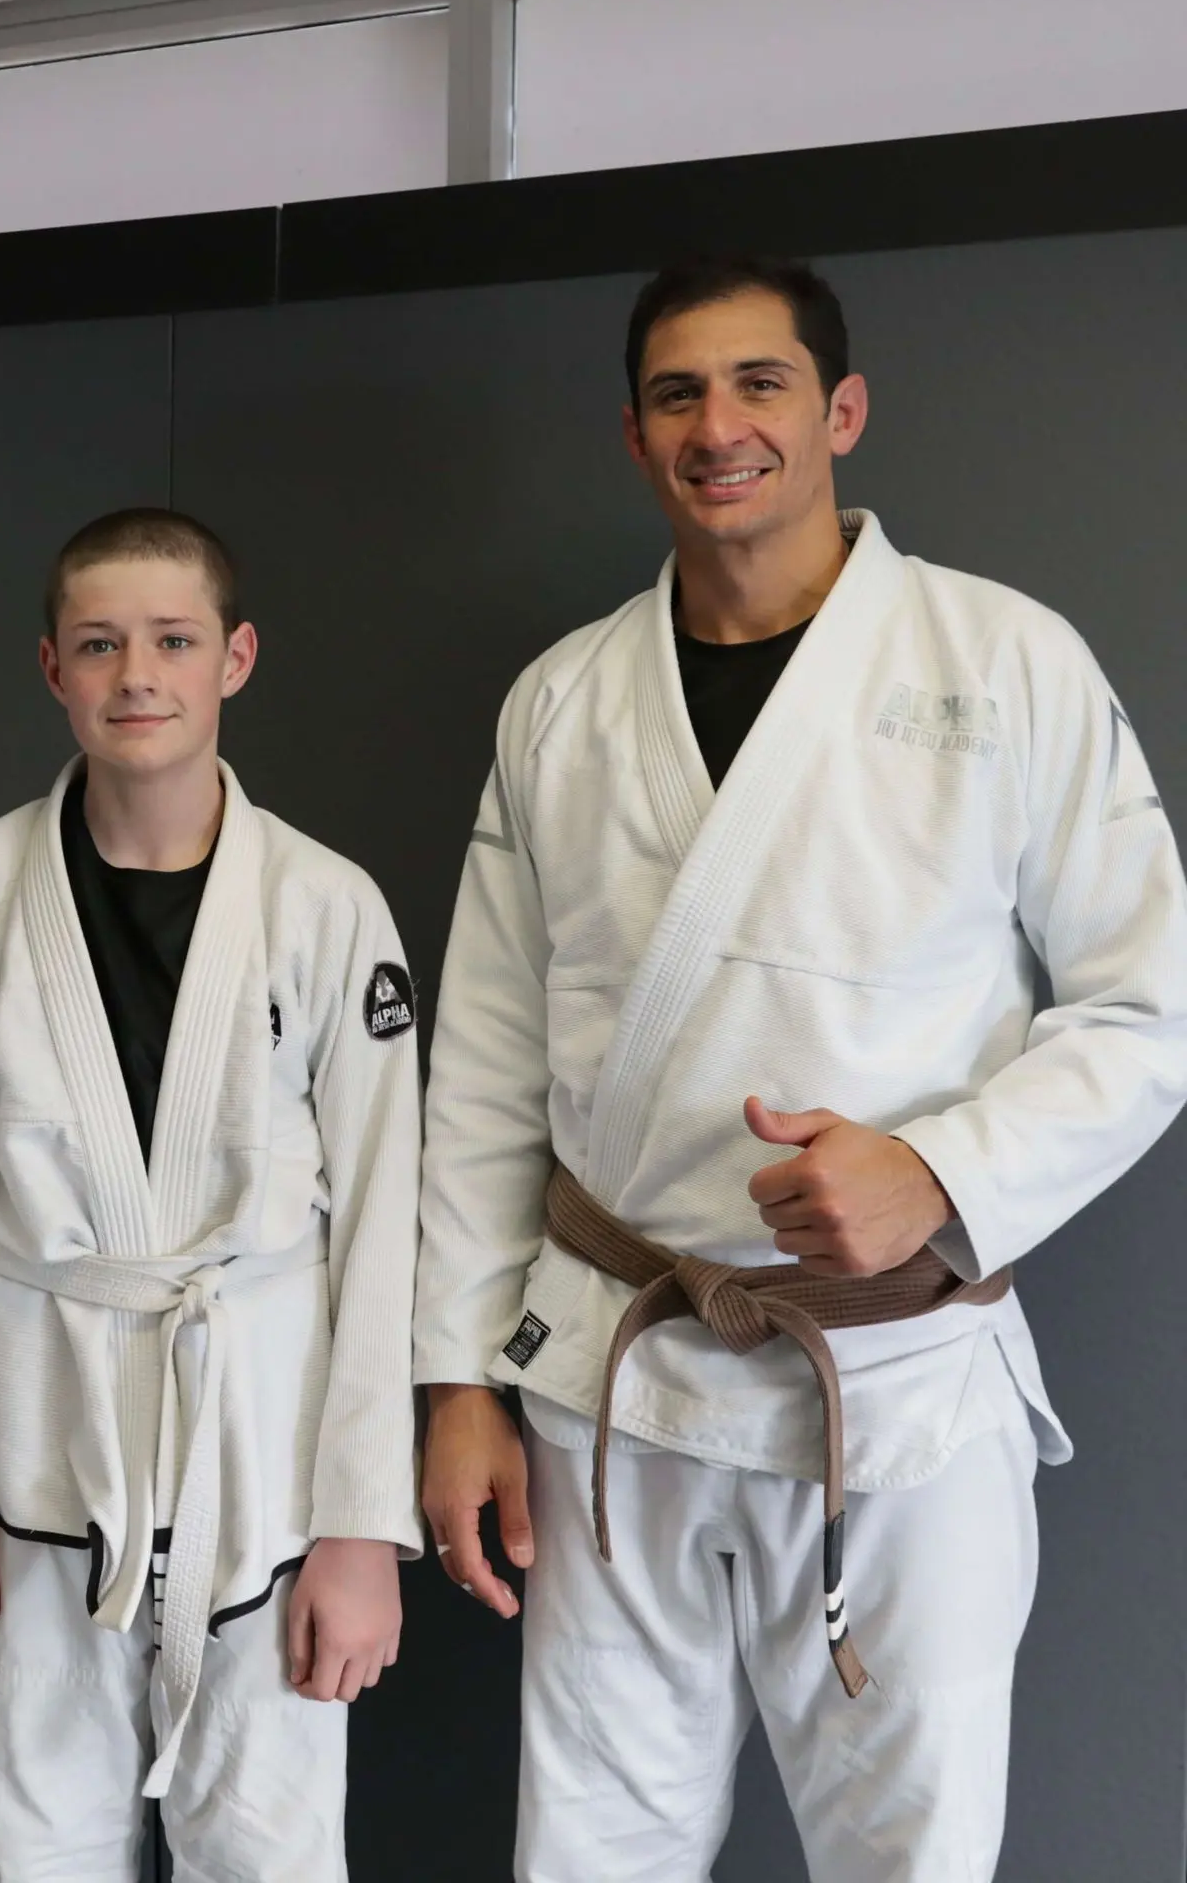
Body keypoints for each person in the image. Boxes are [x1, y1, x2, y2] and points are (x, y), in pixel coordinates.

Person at [414, 256, 1187, 1881]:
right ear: (635, 439)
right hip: (615, 1374)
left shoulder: (1007, 661)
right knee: (590, 1852)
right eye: (681, 394)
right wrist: (457, 1383)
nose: (721, 427)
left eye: (760, 384)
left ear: (840, 410)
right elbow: (484, 1068)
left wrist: (942, 1177)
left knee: (910, 1854)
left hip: (897, 1389)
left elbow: (1148, 1006)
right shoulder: (561, 702)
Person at [0, 508, 421, 1880]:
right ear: (52, 667)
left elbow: (389, 1225)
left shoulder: (325, 903)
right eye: (100, 645)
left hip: (266, 1447)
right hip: (40, 1422)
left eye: (173, 641)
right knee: (39, 1829)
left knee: (270, 1837)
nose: (137, 677)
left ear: (236, 658)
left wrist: (361, 1531)